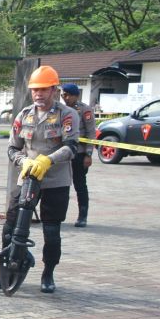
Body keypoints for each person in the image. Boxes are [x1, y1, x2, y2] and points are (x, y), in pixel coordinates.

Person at [5, 65, 79, 294]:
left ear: (54, 90)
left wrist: (48, 160)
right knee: (10, 225)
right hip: (27, 178)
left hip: (55, 181)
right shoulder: (23, 114)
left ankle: (48, 273)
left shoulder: (67, 115)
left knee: (51, 231)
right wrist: (22, 161)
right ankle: (6, 269)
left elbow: (72, 147)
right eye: (35, 90)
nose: (38, 94)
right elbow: (12, 148)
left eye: (43, 90)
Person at [60, 84, 95, 226]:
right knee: (62, 186)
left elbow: (91, 133)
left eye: (69, 95)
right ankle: (59, 215)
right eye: (64, 95)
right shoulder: (60, 110)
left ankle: (82, 216)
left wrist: (88, 154)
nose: (66, 98)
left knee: (80, 186)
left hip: (79, 154)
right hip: (63, 154)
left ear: (76, 95)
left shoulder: (85, 110)